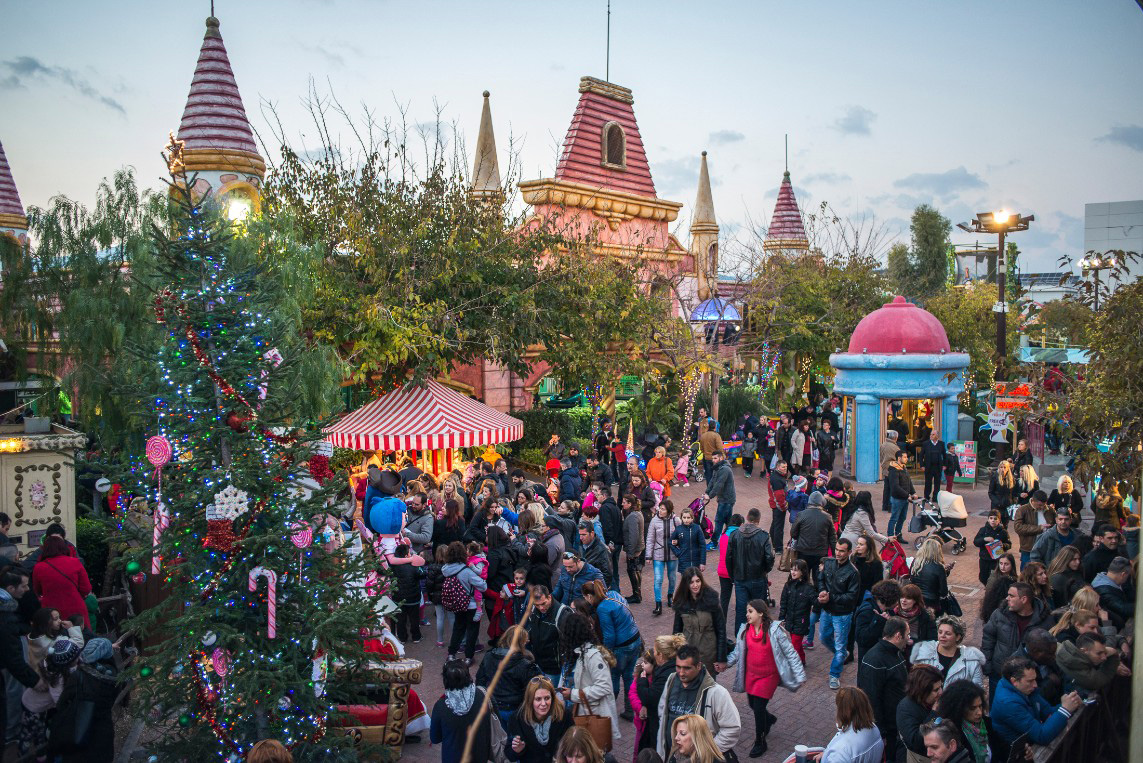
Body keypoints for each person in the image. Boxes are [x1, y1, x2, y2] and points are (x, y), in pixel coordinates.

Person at [726, 598, 805, 757]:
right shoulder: (745, 630)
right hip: (751, 674)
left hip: (768, 677)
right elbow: (737, 653)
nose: (747, 614)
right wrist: (725, 664)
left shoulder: (774, 631)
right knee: (752, 704)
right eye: (747, 611)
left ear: (760, 613)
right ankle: (768, 720)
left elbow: (790, 653)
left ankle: (760, 742)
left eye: (750, 611)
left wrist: (799, 673)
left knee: (759, 708)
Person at [655, 645, 740, 758]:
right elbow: (663, 712)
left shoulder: (717, 693)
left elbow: (732, 729)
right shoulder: (671, 680)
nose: (681, 673)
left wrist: (705, 752)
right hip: (671, 755)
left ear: (698, 666)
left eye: (687, 668)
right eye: (678, 667)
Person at [48, 637, 119, 762]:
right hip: (102, 731)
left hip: (79, 730)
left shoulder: (79, 676)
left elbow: (61, 704)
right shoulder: (111, 675)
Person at [581, 580, 642, 721]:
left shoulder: (602, 608)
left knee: (613, 676)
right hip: (635, 639)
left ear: (589, 596)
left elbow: (609, 635)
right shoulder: (614, 594)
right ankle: (629, 710)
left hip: (621, 647)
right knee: (628, 676)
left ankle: (608, 711)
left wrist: (607, 653)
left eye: (585, 597)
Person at [982, 582, 1055, 699]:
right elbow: (988, 639)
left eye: (1011, 596)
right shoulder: (999, 614)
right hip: (999, 674)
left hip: (1028, 679)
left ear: (1024, 599)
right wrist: (988, 666)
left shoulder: (1045, 620)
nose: (1007, 598)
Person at [990, 656, 1082, 746]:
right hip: (1017, 755)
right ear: (1014, 681)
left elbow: (1048, 712)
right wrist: (1065, 710)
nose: (1035, 685)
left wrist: (1071, 703)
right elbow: (1041, 736)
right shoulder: (1008, 704)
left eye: (1035, 680)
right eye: (1030, 681)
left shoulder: (1026, 691)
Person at [560, 612, 621, 744]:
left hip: (592, 713)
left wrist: (574, 694)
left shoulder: (593, 657)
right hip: (578, 711)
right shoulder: (574, 653)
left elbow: (604, 687)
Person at [0, 569, 43, 752]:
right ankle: (11, 735)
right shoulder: (5, 616)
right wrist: (35, 681)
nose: (27, 589)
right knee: (12, 691)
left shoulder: (8, 611)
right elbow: (14, 660)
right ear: (11, 588)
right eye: (24, 586)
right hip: (5, 666)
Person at [474, 625, 542, 728]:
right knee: (515, 739)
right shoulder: (524, 664)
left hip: (493, 705)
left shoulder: (488, 656)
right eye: (525, 641)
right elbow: (532, 689)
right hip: (514, 708)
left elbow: (480, 680)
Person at [857, 615, 908, 753]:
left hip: (896, 722)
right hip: (888, 728)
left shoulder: (895, 652)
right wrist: (881, 733)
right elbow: (871, 698)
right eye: (907, 635)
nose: (908, 639)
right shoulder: (875, 660)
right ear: (898, 636)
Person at [818, 538, 861, 689]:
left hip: (842, 614)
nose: (838, 553)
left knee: (840, 642)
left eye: (842, 551)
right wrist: (822, 591)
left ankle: (834, 674)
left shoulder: (853, 572)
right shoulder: (829, 563)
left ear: (849, 552)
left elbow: (851, 597)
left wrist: (831, 597)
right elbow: (821, 579)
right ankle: (842, 654)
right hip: (827, 610)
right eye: (836, 549)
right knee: (823, 637)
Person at [431, 659, 493, 763]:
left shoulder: (441, 706)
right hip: (480, 755)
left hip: (453, 757)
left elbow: (435, 738)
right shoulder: (482, 694)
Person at [725, 508, 775, 634]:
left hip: (740, 578)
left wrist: (733, 576)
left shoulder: (735, 535)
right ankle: (758, 635)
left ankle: (741, 637)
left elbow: (728, 558)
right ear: (758, 520)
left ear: (747, 517)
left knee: (741, 610)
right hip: (758, 577)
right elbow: (770, 557)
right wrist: (765, 570)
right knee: (759, 610)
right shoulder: (763, 535)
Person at [505, 674, 574, 763]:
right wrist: (517, 750)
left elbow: (573, 745)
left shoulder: (564, 715)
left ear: (552, 698)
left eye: (547, 698)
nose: (543, 703)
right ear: (530, 700)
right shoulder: (517, 719)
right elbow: (509, 755)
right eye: (538, 699)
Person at [671, 568, 727, 677]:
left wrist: (721, 658)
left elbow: (721, 630)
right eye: (691, 582)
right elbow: (676, 631)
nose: (695, 585)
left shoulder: (711, 600)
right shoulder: (681, 602)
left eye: (698, 581)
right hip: (687, 653)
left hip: (708, 653)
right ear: (686, 584)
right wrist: (676, 655)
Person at [637, 633, 686, 753]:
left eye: (655, 651)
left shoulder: (666, 674)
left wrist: (642, 681)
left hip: (661, 723)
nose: (653, 654)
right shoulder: (666, 667)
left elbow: (650, 698)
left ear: (661, 655)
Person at [441, 541, 488, 663]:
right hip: (471, 604)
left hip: (457, 603)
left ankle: (451, 654)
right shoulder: (466, 571)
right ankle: (468, 656)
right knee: (472, 631)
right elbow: (482, 586)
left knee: (458, 628)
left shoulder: (445, 570)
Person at [33, 535, 93, 629]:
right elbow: (86, 589)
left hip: (51, 612)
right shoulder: (75, 562)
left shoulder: (39, 567)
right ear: (63, 547)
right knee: (81, 638)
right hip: (75, 608)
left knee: (55, 640)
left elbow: (37, 590)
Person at [935, 680, 1002, 763]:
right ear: (959, 709)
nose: (979, 712)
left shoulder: (986, 723)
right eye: (972, 708)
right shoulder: (953, 734)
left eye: (980, 706)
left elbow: (1000, 750)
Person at [910, 615, 985, 687]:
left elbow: (977, 690)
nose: (942, 636)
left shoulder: (971, 661)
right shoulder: (924, 653)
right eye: (940, 632)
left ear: (958, 637)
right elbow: (916, 682)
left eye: (948, 633)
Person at [815, 687, 885, 763]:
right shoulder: (874, 727)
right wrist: (827, 754)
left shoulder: (841, 751)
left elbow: (841, 754)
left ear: (842, 710)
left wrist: (831, 757)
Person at [897, 664, 943, 763]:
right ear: (922, 691)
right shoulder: (905, 708)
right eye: (936, 690)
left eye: (941, 687)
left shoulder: (933, 702)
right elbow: (916, 741)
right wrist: (935, 716)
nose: (941, 692)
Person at [791, 491, 836, 590]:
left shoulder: (801, 514)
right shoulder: (827, 517)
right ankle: (816, 600)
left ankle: (801, 598)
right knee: (819, 580)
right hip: (820, 553)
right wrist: (834, 554)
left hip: (803, 551)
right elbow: (832, 537)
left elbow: (793, 533)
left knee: (801, 578)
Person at [526, 586, 570, 684]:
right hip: (538, 663)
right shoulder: (533, 609)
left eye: (543, 603)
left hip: (554, 668)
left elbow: (568, 643)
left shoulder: (562, 614)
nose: (541, 608)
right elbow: (531, 626)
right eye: (537, 605)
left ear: (549, 597)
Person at [646, 500, 681, 617]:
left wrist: (678, 542)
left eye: (663, 509)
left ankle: (670, 596)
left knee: (672, 577)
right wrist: (648, 556)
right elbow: (650, 539)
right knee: (658, 579)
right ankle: (658, 604)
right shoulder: (654, 520)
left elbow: (682, 536)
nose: (660, 511)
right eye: (659, 508)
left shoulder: (676, 520)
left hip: (672, 554)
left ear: (669, 510)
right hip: (658, 554)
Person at [778, 559, 816, 662]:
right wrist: (782, 617)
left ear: (802, 572)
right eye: (791, 569)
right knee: (797, 645)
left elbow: (815, 602)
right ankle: (802, 660)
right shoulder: (788, 585)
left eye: (796, 570)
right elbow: (783, 602)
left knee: (795, 645)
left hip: (801, 621)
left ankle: (795, 666)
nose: (793, 572)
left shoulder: (808, 588)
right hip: (790, 620)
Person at [854, 579, 903, 658]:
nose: (898, 602)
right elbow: (861, 639)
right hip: (871, 659)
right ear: (890, 598)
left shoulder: (889, 610)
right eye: (897, 599)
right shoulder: (867, 611)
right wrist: (880, 620)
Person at [592, 484, 624, 592]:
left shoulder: (604, 508)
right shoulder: (615, 507)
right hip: (618, 542)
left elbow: (607, 527)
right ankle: (617, 591)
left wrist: (609, 543)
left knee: (609, 569)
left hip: (611, 544)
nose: (597, 496)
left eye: (599, 494)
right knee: (615, 569)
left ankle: (614, 592)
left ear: (604, 496)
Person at [703, 451, 736, 548]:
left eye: (715, 458)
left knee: (719, 521)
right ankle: (731, 540)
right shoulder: (717, 468)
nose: (713, 460)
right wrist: (706, 492)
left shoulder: (725, 469)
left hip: (727, 499)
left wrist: (710, 496)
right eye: (712, 458)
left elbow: (719, 485)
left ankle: (714, 543)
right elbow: (712, 481)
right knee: (728, 521)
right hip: (724, 499)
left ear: (721, 458)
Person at [1013, 491, 1054, 567]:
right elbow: (1018, 527)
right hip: (1028, 548)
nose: (1042, 507)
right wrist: (1039, 528)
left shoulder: (1049, 510)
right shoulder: (1022, 510)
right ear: (1033, 501)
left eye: (1044, 505)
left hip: (1046, 546)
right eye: (1040, 505)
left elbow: (1056, 523)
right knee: (1027, 571)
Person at [1092, 556, 1135, 628]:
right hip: (1115, 627)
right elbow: (1123, 609)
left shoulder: (1111, 580)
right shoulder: (1104, 591)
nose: (1127, 578)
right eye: (1128, 576)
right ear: (1123, 574)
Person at [910, 537, 950, 615]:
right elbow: (944, 592)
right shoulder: (939, 567)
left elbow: (912, 579)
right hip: (932, 602)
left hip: (916, 599)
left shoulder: (916, 563)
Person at [896, 583, 938, 655]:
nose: (903, 600)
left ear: (915, 600)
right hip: (896, 653)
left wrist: (913, 642)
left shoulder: (926, 616)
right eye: (902, 597)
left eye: (908, 598)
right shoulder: (894, 613)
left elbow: (933, 640)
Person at [715, 514, 743, 619]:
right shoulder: (739, 535)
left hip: (722, 570)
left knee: (724, 599)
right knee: (740, 599)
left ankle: (721, 625)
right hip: (735, 571)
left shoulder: (723, 535)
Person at [973, 510, 1011, 586]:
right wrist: (984, 539)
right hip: (984, 558)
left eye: (995, 518)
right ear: (988, 519)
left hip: (996, 559)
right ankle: (987, 586)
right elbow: (976, 542)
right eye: (991, 518)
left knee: (995, 578)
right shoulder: (983, 530)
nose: (993, 520)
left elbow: (1009, 544)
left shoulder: (1003, 532)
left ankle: (991, 590)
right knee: (983, 577)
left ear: (999, 520)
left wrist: (1002, 545)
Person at [979, 553, 1017, 625]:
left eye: (1006, 564)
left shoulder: (1014, 578)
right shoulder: (994, 578)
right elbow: (988, 595)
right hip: (995, 609)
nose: (1003, 567)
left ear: (1012, 565)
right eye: (1001, 563)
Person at [576, 520, 615, 591]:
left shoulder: (602, 550)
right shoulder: (581, 544)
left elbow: (607, 575)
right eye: (580, 534)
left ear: (592, 533)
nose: (581, 538)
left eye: (584, 535)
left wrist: (597, 591)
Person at [886, 450, 916, 541]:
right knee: (894, 518)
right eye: (905, 457)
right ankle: (890, 536)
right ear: (899, 458)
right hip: (897, 499)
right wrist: (907, 495)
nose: (906, 459)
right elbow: (895, 487)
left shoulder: (903, 467)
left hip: (905, 498)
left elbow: (908, 481)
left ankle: (898, 535)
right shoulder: (894, 470)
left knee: (902, 518)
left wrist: (913, 492)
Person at [622, 494, 646, 604]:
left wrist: (630, 553)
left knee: (633, 571)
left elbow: (633, 536)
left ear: (630, 504)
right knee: (636, 571)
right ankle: (637, 594)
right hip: (638, 547)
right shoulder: (637, 513)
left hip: (635, 549)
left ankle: (636, 595)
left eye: (624, 502)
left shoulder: (632, 517)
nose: (622, 504)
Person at [670, 508, 707, 573]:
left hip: (696, 562)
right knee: (686, 582)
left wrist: (702, 562)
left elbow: (703, 546)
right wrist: (678, 553)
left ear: (692, 518)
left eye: (688, 517)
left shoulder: (697, 528)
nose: (686, 520)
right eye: (684, 517)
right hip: (684, 562)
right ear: (681, 518)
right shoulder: (679, 529)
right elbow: (670, 542)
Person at [918, 428, 946, 502]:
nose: (931, 436)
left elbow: (944, 455)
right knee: (928, 483)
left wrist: (944, 465)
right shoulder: (926, 443)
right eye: (931, 434)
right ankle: (926, 497)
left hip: (938, 467)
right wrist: (922, 465)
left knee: (937, 483)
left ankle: (935, 497)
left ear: (937, 436)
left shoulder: (941, 444)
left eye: (933, 434)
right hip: (928, 467)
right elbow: (921, 455)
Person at [768, 459, 790, 550]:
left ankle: (773, 542)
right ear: (778, 467)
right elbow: (779, 496)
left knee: (775, 524)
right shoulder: (777, 479)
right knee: (779, 527)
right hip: (778, 506)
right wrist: (783, 506)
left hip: (775, 504)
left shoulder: (777, 476)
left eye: (786, 467)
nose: (785, 469)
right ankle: (778, 548)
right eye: (783, 467)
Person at [988, 460, 1016, 529]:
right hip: (997, 504)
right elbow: (990, 492)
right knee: (995, 525)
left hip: (1007, 505)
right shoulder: (995, 477)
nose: (1002, 469)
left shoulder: (1011, 479)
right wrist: (997, 502)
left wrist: (1012, 502)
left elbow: (1013, 493)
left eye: (1004, 467)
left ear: (1008, 468)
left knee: (1005, 525)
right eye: (1001, 467)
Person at [881, 430, 901, 518]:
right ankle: (890, 506)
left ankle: (884, 505)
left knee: (886, 488)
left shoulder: (883, 445)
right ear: (895, 438)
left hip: (885, 468)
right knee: (892, 488)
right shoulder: (896, 448)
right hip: (893, 469)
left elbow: (881, 457)